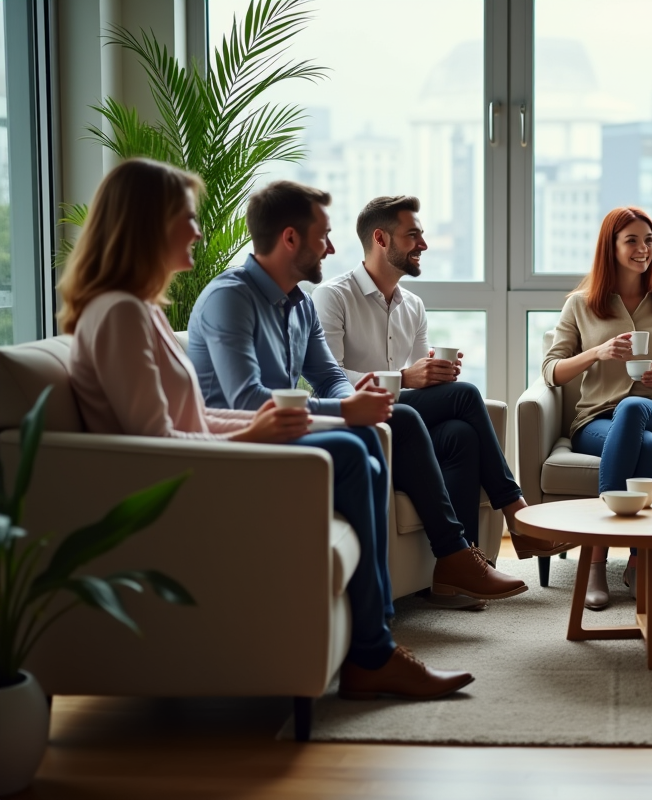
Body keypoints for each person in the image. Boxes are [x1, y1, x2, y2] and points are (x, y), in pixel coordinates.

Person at [60, 158, 473, 702]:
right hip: (181, 485)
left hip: (204, 462)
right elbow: (156, 440)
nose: (198, 231)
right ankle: (373, 652)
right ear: (148, 225)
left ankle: (378, 641)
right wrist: (257, 432)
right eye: (186, 218)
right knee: (351, 448)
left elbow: (191, 419)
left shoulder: (141, 312)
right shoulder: (120, 315)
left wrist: (279, 423)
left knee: (366, 439)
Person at [187, 180, 528, 604]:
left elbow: (329, 376)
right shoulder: (231, 297)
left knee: (455, 432)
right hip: (242, 439)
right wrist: (354, 407)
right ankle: (472, 543)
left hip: (289, 426)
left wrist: (354, 399)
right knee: (409, 415)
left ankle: (453, 567)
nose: (331, 249)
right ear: (290, 238)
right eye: (323, 237)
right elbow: (246, 402)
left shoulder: (299, 304)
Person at [311, 195, 568, 565]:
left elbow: (420, 382)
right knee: (464, 396)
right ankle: (516, 511)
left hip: (407, 427)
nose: (424, 245)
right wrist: (404, 377)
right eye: (412, 235)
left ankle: (465, 570)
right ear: (381, 240)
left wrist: (435, 374)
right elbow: (327, 381)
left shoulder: (412, 305)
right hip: (362, 424)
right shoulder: (333, 297)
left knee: (461, 436)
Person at [541, 207, 652, 611]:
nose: (643, 248)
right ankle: (637, 561)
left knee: (635, 408)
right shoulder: (580, 305)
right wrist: (597, 352)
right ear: (610, 247)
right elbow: (551, 371)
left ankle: (594, 558)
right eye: (631, 240)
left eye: (648, 240)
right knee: (643, 447)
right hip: (595, 420)